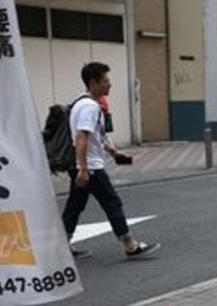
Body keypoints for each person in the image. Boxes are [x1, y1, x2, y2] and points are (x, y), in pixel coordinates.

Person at [62, 62, 159, 260]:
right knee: (112, 203)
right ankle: (130, 245)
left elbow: (95, 135)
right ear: (93, 82)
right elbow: (81, 137)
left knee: (75, 205)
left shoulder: (80, 103)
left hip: (82, 165)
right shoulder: (90, 107)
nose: (110, 84)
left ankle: (61, 246)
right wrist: (83, 168)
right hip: (90, 168)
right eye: (105, 81)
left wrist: (112, 152)